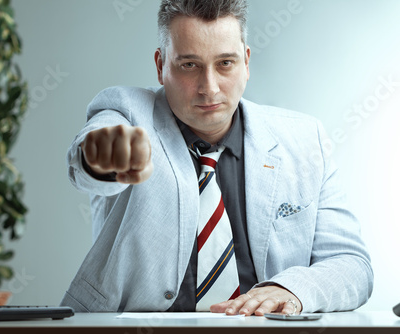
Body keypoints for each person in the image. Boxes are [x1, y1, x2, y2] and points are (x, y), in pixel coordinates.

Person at [60, 0, 373, 315]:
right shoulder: (126, 113)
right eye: (189, 65)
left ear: (246, 63)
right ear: (160, 66)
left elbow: (352, 265)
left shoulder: (306, 142)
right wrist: (101, 155)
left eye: (225, 63)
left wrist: (290, 290)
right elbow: (92, 152)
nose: (208, 88)